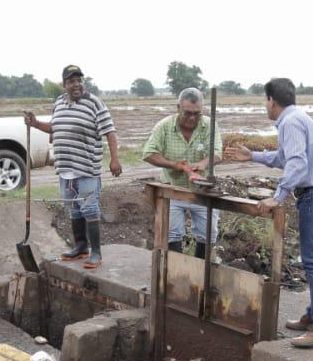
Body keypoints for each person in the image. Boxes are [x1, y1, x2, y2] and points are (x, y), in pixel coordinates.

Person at [224, 77, 313, 348]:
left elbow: (297, 163)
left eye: (265, 101)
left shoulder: (290, 122)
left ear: (271, 100)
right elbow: (284, 157)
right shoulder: (297, 118)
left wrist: (278, 197)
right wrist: (252, 156)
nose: (266, 106)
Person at [25, 65, 122, 268]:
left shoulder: (94, 102)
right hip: (65, 169)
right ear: (64, 84)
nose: (76, 84)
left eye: (79, 80)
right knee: (74, 209)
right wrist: (35, 123)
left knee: (89, 208)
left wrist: (115, 159)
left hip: (87, 169)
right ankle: (80, 247)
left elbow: (110, 132)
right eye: (71, 81)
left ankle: (96, 253)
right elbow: (54, 127)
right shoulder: (59, 102)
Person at [141, 87, 221, 259]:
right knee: (171, 233)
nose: (192, 118)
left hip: (202, 191)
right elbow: (148, 154)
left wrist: (201, 165)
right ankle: (176, 270)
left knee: (208, 234)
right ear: (178, 108)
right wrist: (175, 165)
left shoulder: (209, 125)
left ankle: (200, 271)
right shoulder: (164, 126)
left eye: (197, 114)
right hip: (173, 189)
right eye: (187, 113)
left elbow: (217, 153)